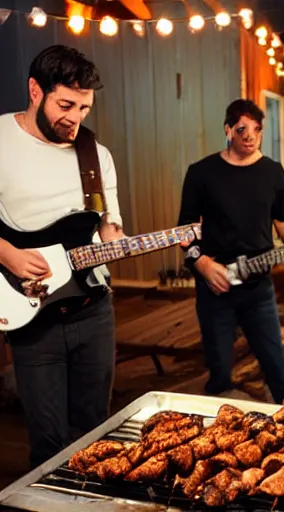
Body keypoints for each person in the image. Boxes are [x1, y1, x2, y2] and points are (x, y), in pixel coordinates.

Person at [0, 45, 124, 468]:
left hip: (93, 309)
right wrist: (11, 256)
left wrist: (120, 241)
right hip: (33, 317)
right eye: (65, 104)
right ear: (35, 90)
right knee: (49, 444)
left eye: (85, 107)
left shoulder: (95, 155)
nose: (75, 117)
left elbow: (109, 226)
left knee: (96, 433)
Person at [178, 99, 284, 404]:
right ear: (228, 130)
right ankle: (218, 432)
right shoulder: (201, 173)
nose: (249, 135)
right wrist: (204, 265)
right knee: (220, 371)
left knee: (277, 367)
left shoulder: (272, 173)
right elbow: (185, 232)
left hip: (258, 288)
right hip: (216, 288)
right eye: (241, 129)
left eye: (257, 129)